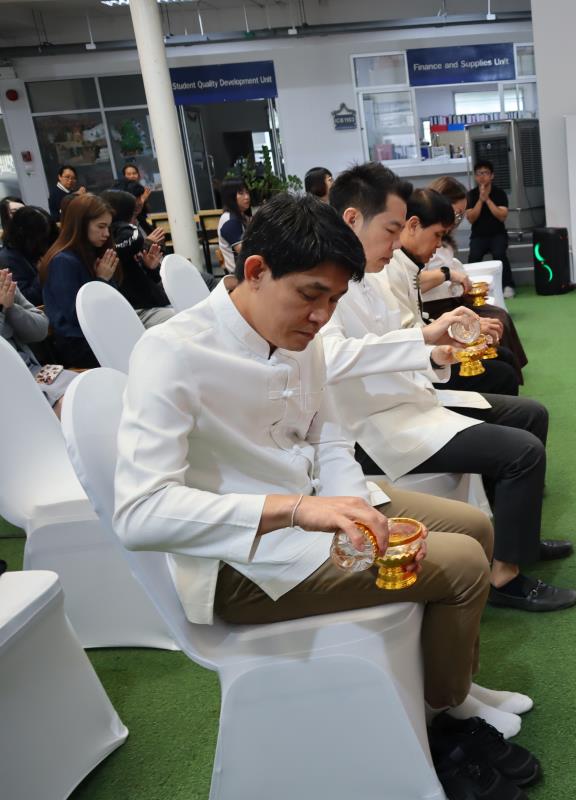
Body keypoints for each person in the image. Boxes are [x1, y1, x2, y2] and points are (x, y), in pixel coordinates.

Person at [112, 194, 540, 797]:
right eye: (311, 296)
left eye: (334, 301)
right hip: (243, 562)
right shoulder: (172, 352)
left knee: (475, 527)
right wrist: (297, 509)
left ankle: (451, 689)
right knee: (465, 564)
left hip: (319, 510)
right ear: (256, 270)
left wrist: (350, 509)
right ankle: (442, 714)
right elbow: (138, 514)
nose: (321, 317)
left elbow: (330, 434)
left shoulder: (300, 335)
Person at [326, 169, 576, 613]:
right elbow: (333, 357)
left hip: (411, 404)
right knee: (522, 452)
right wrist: (426, 338)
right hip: (376, 428)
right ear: (351, 219)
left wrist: (440, 354)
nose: (396, 243)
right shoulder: (327, 284)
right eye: (391, 230)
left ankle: (517, 541)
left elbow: (394, 344)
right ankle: (504, 577)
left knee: (530, 414)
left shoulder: (366, 277)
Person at [384, 188, 522, 395]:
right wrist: (455, 334)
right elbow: (406, 337)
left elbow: (418, 326)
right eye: (437, 235)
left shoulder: (405, 263)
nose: (439, 243)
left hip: (425, 352)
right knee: (503, 374)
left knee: (502, 356)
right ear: (412, 225)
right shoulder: (388, 267)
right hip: (416, 367)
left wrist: (459, 332)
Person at [427, 175, 529, 381]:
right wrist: (450, 274)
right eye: (456, 214)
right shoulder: (415, 247)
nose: (457, 221)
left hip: (452, 303)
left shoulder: (441, 238)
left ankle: (501, 362)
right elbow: (419, 279)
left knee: (499, 318)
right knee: (496, 322)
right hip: (438, 310)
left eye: (460, 216)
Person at [39, 194, 119, 368]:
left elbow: (113, 302)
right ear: (81, 224)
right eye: (101, 226)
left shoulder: (89, 253)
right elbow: (77, 316)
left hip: (95, 335)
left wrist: (104, 279)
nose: (106, 234)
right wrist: (102, 280)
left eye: (108, 227)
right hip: (77, 343)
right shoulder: (63, 261)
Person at [1, 269, 76, 414]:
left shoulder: (3, 283)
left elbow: (41, 330)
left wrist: (10, 307)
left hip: (34, 372)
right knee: (73, 409)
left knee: (93, 388)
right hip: (8, 389)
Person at [99, 189, 174, 327]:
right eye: (133, 214)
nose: (135, 219)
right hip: (139, 309)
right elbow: (135, 238)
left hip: (153, 302)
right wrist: (145, 242)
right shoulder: (121, 236)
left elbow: (151, 279)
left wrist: (150, 267)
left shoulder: (121, 238)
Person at [465, 160, 514, 297]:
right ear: (475, 176)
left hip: (497, 234)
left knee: (499, 254)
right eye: (479, 173)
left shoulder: (500, 193)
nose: (482, 176)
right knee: (474, 257)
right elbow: (471, 218)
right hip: (478, 235)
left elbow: (502, 216)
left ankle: (507, 285)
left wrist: (487, 199)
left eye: (486, 173)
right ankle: (471, 288)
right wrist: (480, 200)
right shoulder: (471, 195)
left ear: (492, 175)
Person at [0, 205, 55, 306]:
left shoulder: (34, 250)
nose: (43, 243)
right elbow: (27, 299)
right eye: (40, 237)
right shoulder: (8, 260)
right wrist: (42, 272)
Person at [217, 178, 252, 274]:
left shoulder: (241, 216)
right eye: (241, 193)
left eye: (247, 192)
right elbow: (245, 252)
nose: (247, 197)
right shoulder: (230, 221)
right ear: (230, 197)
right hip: (240, 275)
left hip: (247, 270)